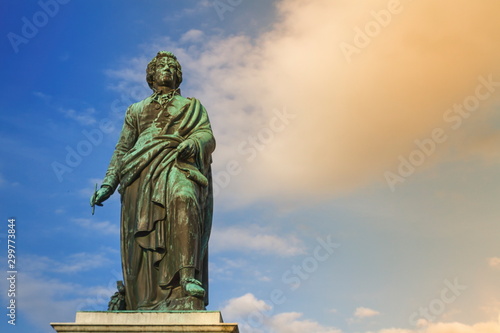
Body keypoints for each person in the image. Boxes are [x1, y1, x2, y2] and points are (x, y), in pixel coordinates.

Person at [90, 51, 215, 311]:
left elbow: (207, 136)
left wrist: (193, 143)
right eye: (161, 66)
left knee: (185, 198)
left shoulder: (192, 107)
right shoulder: (136, 110)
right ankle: (145, 295)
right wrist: (108, 184)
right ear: (152, 75)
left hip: (178, 162)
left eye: (172, 66)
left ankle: (187, 275)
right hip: (139, 173)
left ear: (178, 75)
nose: (167, 69)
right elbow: (122, 148)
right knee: (141, 241)